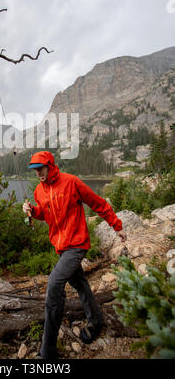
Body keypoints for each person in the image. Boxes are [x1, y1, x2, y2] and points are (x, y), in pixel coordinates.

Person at [22, 151, 126, 359]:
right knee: (79, 283)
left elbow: (97, 203)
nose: (38, 172)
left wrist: (117, 225)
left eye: (41, 167)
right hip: (61, 247)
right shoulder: (39, 191)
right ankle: (96, 321)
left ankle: (48, 351)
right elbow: (46, 214)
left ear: (50, 165)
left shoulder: (71, 182)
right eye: (35, 169)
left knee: (54, 285)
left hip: (77, 244)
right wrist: (33, 211)